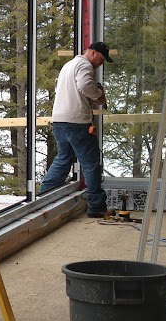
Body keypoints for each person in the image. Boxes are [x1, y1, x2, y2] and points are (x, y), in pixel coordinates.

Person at [39, 41, 113, 218]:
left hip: (60, 120)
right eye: (101, 59)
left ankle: (43, 196)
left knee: (63, 158)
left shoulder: (68, 65)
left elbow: (73, 90)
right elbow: (85, 86)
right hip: (77, 122)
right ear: (93, 53)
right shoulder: (85, 65)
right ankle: (96, 206)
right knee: (91, 162)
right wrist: (99, 95)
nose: (101, 63)